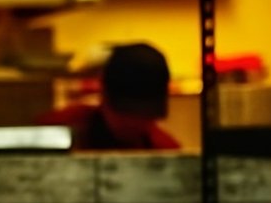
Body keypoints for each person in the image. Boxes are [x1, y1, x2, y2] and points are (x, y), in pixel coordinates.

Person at [37, 42, 180, 151]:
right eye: (125, 113)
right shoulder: (55, 130)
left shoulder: (165, 150)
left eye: (144, 115)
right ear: (104, 95)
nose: (133, 123)